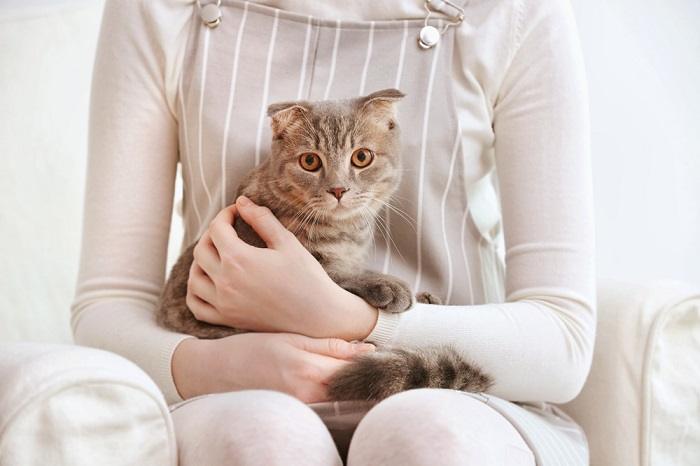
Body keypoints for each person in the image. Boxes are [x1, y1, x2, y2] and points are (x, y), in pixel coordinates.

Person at [72, 0, 595, 464]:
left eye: (361, 159)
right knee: (260, 436)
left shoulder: (517, 12)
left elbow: (564, 342)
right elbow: (109, 304)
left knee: (427, 436)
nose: (342, 185)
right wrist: (211, 365)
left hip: (458, 381)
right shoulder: (159, 10)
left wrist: (347, 319)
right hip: (229, 384)